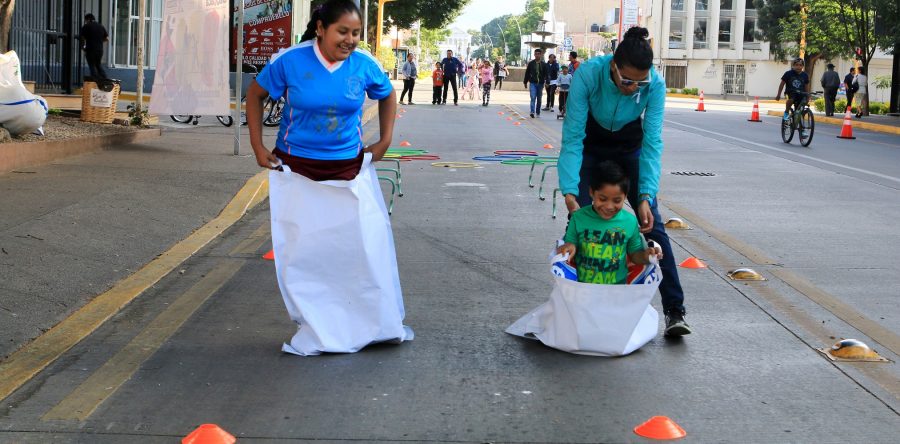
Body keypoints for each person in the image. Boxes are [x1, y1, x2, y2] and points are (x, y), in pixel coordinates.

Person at [245, 0, 409, 355]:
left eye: (355, 33)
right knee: (306, 254)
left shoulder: (364, 65)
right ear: (321, 28)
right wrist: (258, 147)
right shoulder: (290, 60)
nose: (350, 40)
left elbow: (387, 94)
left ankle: (369, 321)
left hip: (348, 168)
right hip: (296, 170)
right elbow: (255, 95)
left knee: (362, 248)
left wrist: (385, 140)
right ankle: (320, 324)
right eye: (343, 32)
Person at [558, 26, 692, 336]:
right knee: (580, 223)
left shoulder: (654, 85)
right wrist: (569, 191)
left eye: (640, 82)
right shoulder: (589, 75)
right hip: (591, 146)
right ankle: (575, 306)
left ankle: (675, 309)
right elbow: (573, 137)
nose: (633, 88)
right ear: (613, 67)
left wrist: (645, 195)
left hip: (630, 147)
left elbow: (653, 142)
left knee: (653, 225)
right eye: (627, 80)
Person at [557, 161, 662, 284]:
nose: (609, 206)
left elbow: (634, 255)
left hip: (617, 291)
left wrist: (645, 256)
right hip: (583, 289)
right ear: (591, 192)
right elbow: (571, 245)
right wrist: (569, 246)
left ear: (625, 196)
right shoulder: (578, 218)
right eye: (602, 199)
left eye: (617, 200)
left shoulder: (630, 221)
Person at [79, 13, 108, 80]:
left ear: (88, 19)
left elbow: (82, 38)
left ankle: (95, 81)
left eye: (85, 20)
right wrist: (99, 41)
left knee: (92, 65)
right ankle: (105, 80)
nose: (85, 22)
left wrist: (83, 47)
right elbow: (106, 38)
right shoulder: (101, 26)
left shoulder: (86, 26)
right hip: (100, 50)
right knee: (98, 65)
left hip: (90, 49)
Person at [523, 48, 549, 118]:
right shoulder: (531, 64)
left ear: (541, 55)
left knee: (539, 99)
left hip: (540, 84)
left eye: (538, 54)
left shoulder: (544, 64)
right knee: (533, 97)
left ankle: (538, 111)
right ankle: (532, 111)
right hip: (533, 83)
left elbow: (547, 74)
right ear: (534, 54)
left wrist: (547, 82)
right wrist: (525, 82)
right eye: (536, 54)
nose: (537, 55)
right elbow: (527, 73)